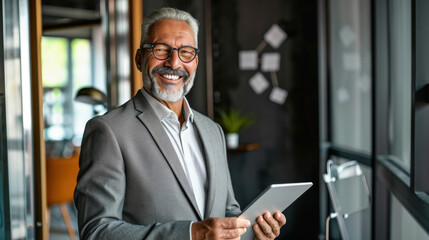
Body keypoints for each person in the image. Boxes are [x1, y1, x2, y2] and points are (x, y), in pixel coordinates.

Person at [74, 7, 286, 240]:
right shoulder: (108, 130)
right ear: (139, 59)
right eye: (161, 49)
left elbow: (228, 212)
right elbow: (96, 232)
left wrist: (253, 233)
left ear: (195, 62)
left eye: (185, 52)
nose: (174, 62)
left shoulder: (212, 131)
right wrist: (192, 233)